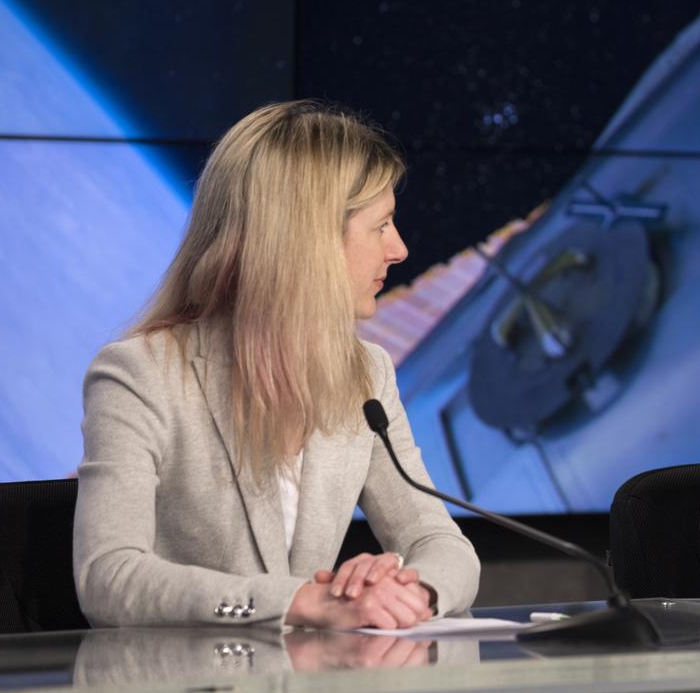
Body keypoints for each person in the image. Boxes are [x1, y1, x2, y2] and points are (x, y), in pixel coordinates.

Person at [73, 100, 480, 628]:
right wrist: (296, 602)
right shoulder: (140, 374)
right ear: (308, 241)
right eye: (380, 227)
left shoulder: (367, 373)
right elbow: (108, 577)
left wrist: (408, 589)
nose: (399, 249)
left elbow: (440, 543)